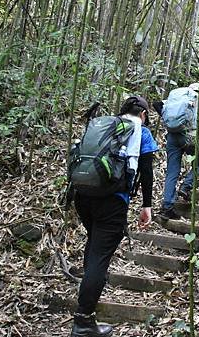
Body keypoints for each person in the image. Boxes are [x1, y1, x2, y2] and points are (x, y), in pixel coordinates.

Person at [70, 96, 150, 337]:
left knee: (94, 245)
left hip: (83, 195)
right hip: (113, 201)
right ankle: (83, 320)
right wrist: (146, 204)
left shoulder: (104, 126)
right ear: (143, 114)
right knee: (99, 257)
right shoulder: (141, 131)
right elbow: (147, 171)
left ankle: (87, 298)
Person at [154, 83, 199, 220]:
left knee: (172, 171)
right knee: (198, 164)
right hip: (189, 136)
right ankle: (186, 186)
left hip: (172, 137)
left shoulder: (176, 97)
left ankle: (167, 207)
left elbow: (157, 104)